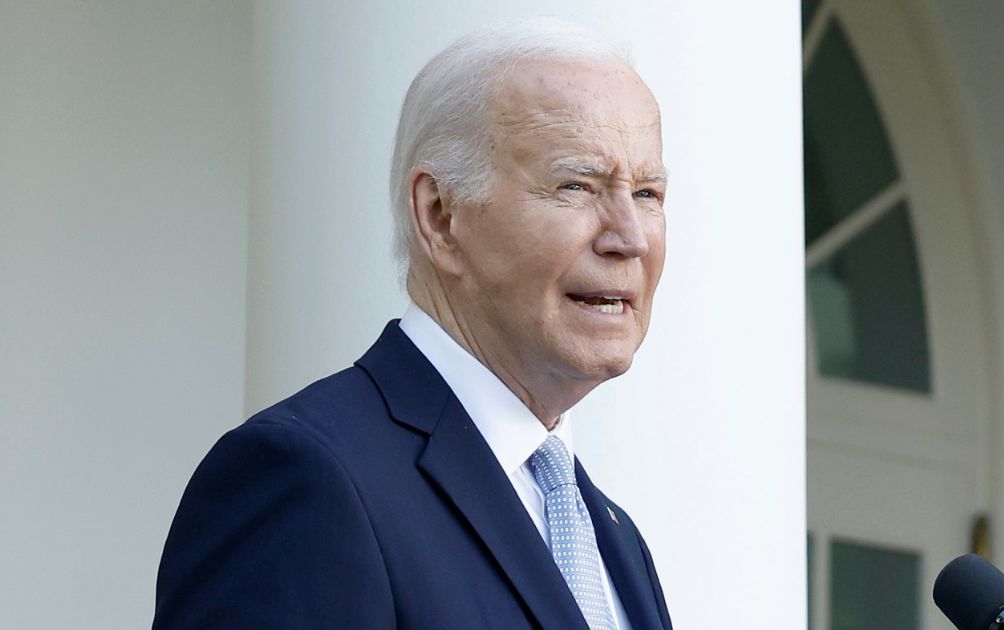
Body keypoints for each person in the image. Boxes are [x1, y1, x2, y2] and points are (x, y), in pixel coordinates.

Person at [153, 17, 672, 630]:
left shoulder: (612, 536)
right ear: (440, 215)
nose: (630, 238)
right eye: (576, 185)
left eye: (647, 193)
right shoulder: (308, 478)